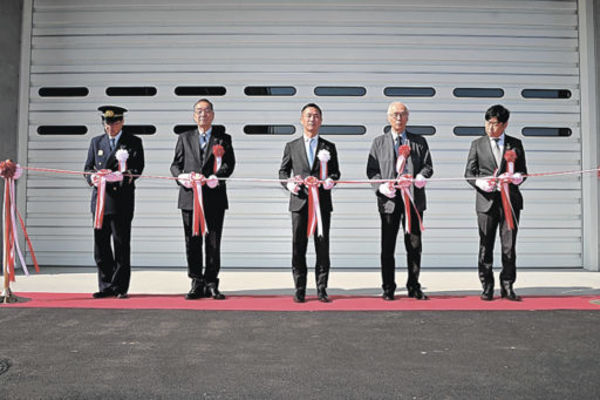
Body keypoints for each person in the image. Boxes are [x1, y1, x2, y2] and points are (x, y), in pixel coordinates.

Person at [366, 102, 433, 301]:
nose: (398, 118)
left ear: (408, 117)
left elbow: (428, 166)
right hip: (389, 202)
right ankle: (388, 287)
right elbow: (372, 171)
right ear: (388, 117)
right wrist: (380, 187)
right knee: (387, 246)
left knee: (414, 245)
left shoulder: (419, 141)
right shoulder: (378, 143)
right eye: (395, 114)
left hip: (413, 201)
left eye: (402, 114)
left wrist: (421, 177)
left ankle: (414, 285)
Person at [170, 99, 235, 300]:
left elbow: (229, 164)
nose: (203, 114)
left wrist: (217, 177)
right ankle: (196, 282)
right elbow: (175, 165)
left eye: (206, 111)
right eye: (199, 111)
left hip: (214, 198)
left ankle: (211, 282)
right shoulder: (184, 138)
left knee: (213, 242)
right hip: (190, 198)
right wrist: (181, 178)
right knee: (192, 242)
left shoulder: (223, 138)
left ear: (212, 115)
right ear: (194, 115)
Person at [278, 103, 341, 303]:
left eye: (315, 116)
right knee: (298, 246)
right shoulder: (292, 146)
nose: (312, 119)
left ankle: (322, 288)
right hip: (300, 203)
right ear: (301, 119)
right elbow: (283, 172)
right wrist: (289, 184)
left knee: (322, 246)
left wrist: (331, 180)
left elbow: (335, 172)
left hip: (321, 204)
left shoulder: (329, 146)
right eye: (308, 115)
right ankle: (300, 288)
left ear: (321, 120)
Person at [464, 104, 527, 301]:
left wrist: (516, 178)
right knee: (486, 245)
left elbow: (523, 171)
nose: (490, 128)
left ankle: (507, 285)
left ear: (505, 124)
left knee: (509, 245)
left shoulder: (515, 144)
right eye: (487, 123)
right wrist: (480, 183)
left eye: (495, 124)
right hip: (486, 202)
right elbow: (469, 173)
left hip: (510, 201)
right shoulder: (477, 144)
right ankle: (487, 285)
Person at [84, 105, 145, 299]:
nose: (110, 127)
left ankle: (119, 286)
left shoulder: (133, 142)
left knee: (121, 244)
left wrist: (121, 176)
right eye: (107, 123)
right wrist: (93, 178)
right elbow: (88, 168)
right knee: (101, 245)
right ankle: (105, 285)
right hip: (100, 201)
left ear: (122, 122)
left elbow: (138, 167)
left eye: (115, 122)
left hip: (121, 201)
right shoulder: (96, 142)